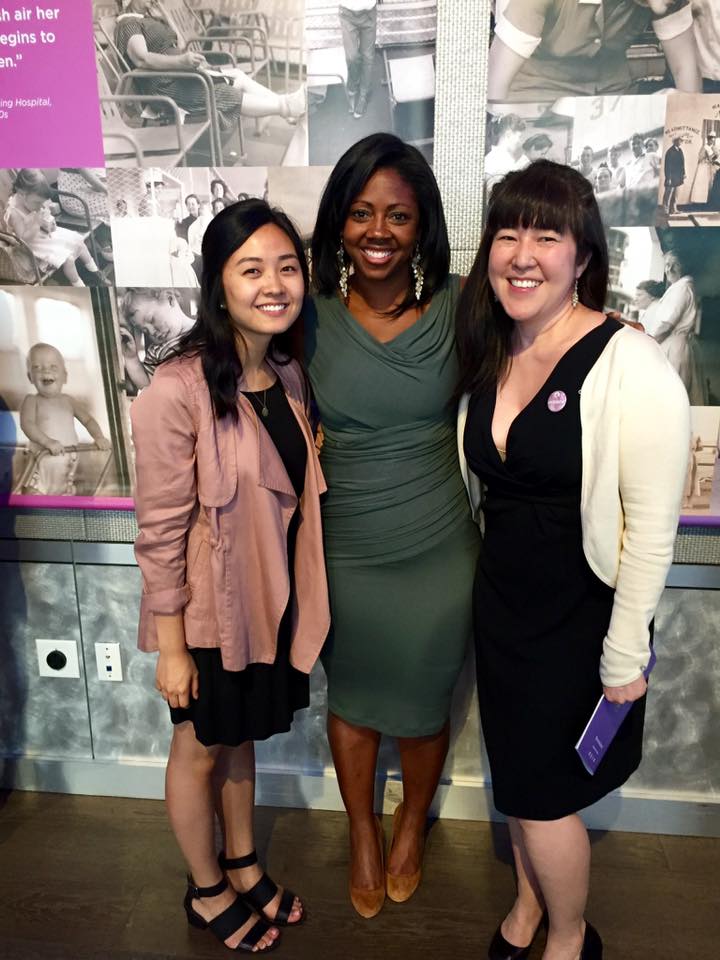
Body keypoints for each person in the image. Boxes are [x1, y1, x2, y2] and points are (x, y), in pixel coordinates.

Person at [455, 160, 689, 960]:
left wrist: (626, 652)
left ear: (582, 257)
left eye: (547, 236)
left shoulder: (629, 360)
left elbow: (655, 525)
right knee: (519, 779)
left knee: (549, 796)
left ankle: (568, 934)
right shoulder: (494, 345)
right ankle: (527, 905)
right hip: (504, 606)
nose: (522, 253)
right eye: (508, 233)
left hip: (579, 617)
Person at [131, 199, 330, 952]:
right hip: (206, 613)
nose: (273, 284)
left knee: (243, 739)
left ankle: (243, 864)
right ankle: (206, 888)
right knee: (200, 747)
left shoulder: (286, 372)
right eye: (252, 269)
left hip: (263, 603)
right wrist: (174, 648)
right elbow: (160, 531)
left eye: (286, 267)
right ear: (219, 284)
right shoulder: (175, 390)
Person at [305, 133, 479, 918]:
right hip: (345, 546)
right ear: (339, 221)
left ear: (423, 225)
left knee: (421, 697)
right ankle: (363, 833)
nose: (379, 231)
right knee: (353, 697)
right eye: (362, 212)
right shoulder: (304, 317)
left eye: (399, 215)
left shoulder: (464, 305)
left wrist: (619, 336)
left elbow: (552, 339)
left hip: (439, 546)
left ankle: (411, 821)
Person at [112, 0, 305, 141]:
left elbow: (175, 42)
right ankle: (286, 107)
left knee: (237, 75)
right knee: (225, 93)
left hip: (179, 75)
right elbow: (141, 58)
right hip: (165, 86)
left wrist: (163, 18)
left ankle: (286, 108)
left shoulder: (144, 18)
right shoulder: (128, 24)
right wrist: (180, 60)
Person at [488, 0, 701, 102]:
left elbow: (686, 69)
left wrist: (686, 118)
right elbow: (494, 86)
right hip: (535, 95)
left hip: (612, 98)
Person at [20, 342, 111, 495]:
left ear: (65, 376)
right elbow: (27, 425)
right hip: (41, 464)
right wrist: (47, 442)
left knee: (64, 497)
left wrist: (99, 436)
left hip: (67, 465)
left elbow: (88, 420)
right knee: (34, 498)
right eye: (37, 367)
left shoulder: (69, 401)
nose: (45, 370)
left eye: (53, 367)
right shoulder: (32, 400)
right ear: (30, 377)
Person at [3, 169, 103, 286]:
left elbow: (46, 221)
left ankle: (94, 271)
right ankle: (79, 284)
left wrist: (49, 224)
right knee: (68, 259)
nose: (40, 206)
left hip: (43, 235)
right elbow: (23, 240)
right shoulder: (14, 213)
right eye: (37, 202)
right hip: (31, 247)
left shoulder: (33, 202)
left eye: (42, 203)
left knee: (78, 240)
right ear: (22, 194)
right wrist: (37, 223)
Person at [653, 249, 700, 395]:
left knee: (670, 396)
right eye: (667, 264)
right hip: (673, 344)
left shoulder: (683, 288)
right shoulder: (680, 287)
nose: (670, 269)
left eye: (675, 264)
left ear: (684, 266)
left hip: (674, 347)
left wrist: (647, 344)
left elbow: (666, 324)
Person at [339, 0, 378, 119]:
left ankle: (363, 95)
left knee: (368, 56)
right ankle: (354, 81)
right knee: (351, 57)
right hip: (347, 15)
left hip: (368, 13)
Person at [689, 131, 719, 205]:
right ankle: (698, 200)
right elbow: (701, 157)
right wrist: (711, 156)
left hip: (709, 167)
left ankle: (706, 201)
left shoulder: (713, 148)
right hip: (703, 167)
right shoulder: (705, 147)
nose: (712, 142)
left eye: (713, 140)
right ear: (708, 140)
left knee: (708, 184)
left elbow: (714, 158)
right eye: (711, 140)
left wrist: (715, 157)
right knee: (701, 183)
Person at [663, 136, 686, 213]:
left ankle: (673, 209)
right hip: (671, 176)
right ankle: (665, 211)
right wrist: (668, 178)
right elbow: (667, 166)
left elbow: (682, 163)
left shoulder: (680, 150)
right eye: (680, 140)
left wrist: (684, 173)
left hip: (678, 176)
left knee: (676, 194)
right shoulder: (670, 151)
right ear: (675, 141)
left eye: (681, 141)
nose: (681, 142)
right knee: (668, 194)